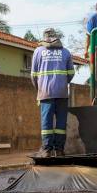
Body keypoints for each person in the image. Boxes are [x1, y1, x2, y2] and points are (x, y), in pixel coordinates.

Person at [31, 28, 74, 158]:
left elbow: (33, 75)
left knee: (47, 122)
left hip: (45, 93)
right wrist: (62, 83)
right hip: (61, 93)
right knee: (61, 122)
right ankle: (59, 150)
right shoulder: (65, 52)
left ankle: (46, 150)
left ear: (44, 38)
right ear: (56, 37)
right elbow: (71, 74)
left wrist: (39, 88)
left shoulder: (38, 52)